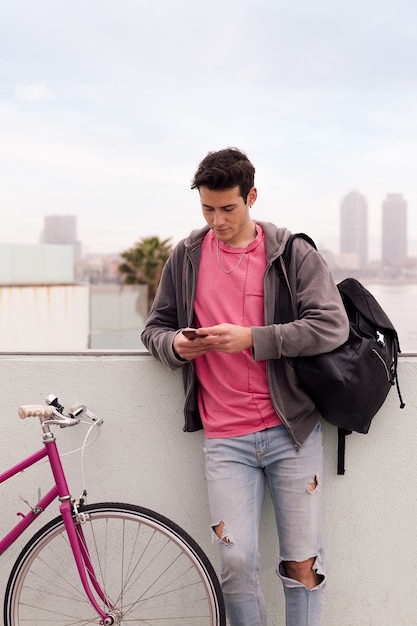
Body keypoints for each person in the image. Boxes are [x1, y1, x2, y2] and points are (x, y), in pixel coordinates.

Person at [141, 147, 349, 626]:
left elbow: (331, 325)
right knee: (235, 565)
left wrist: (252, 339)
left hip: (291, 432)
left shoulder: (290, 251)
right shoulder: (187, 256)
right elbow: (155, 327)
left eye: (228, 208)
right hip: (225, 438)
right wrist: (175, 345)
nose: (217, 220)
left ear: (251, 196)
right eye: (207, 209)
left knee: (302, 564)